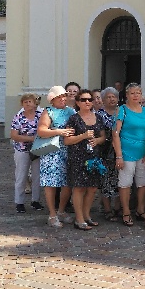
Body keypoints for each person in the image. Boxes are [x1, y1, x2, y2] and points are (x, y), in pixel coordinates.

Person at [64, 90, 106, 230]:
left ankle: (87, 215)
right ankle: (79, 218)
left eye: (89, 99)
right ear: (77, 102)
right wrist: (83, 136)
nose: (87, 102)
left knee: (93, 188)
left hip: (94, 157)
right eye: (83, 100)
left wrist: (98, 140)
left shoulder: (98, 117)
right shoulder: (73, 119)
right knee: (79, 187)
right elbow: (67, 140)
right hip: (78, 157)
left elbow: (103, 136)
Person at [112, 82, 145, 227]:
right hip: (126, 152)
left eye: (138, 93)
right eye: (132, 93)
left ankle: (140, 210)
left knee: (144, 183)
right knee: (125, 183)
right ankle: (126, 212)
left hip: (142, 152)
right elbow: (115, 133)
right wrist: (118, 155)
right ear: (127, 95)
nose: (135, 96)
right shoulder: (122, 110)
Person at [37, 86, 76, 228]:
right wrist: (59, 131)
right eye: (60, 97)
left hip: (68, 150)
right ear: (53, 99)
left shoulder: (71, 111)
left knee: (67, 182)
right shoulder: (48, 112)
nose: (63, 99)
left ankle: (61, 210)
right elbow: (41, 130)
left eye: (64, 96)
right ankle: (52, 214)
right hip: (52, 151)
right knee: (51, 183)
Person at [10, 93, 43, 213]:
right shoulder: (18, 117)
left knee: (37, 176)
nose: (28, 104)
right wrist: (30, 139)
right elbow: (14, 135)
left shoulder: (41, 115)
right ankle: (19, 202)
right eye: (25, 102)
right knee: (21, 175)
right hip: (22, 150)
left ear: (35, 103)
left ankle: (36, 200)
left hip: (38, 149)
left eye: (30, 101)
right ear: (22, 104)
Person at [96, 87, 121, 221]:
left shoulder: (121, 112)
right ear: (103, 100)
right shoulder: (98, 114)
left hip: (121, 150)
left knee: (119, 180)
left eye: (114, 97)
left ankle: (117, 208)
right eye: (108, 97)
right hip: (104, 152)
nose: (112, 99)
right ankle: (107, 209)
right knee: (105, 181)